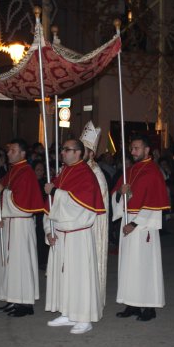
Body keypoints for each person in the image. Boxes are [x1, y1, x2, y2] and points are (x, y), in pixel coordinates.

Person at [43, 139, 105, 334]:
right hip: (61, 234)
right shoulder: (63, 173)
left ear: (78, 153)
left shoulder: (85, 174)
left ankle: (84, 317)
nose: (62, 153)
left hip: (78, 235)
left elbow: (80, 206)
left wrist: (55, 191)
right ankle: (67, 312)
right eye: (62, 149)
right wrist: (48, 230)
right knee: (64, 276)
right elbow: (51, 206)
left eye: (66, 150)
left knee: (79, 277)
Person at [112, 135, 170, 322]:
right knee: (129, 266)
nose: (133, 151)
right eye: (132, 148)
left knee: (144, 266)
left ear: (147, 150)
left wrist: (135, 223)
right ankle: (132, 303)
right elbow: (118, 195)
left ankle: (148, 307)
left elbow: (155, 203)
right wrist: (121, 194)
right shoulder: (130, 171)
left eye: (137, 148)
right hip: (127, 223)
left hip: (143, 226)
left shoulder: (153, 172)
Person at [0, 139, 44, 317]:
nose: (8, 153)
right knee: (9, 263)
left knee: (20, 262)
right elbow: (1, 198)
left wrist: (3, 192)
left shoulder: (26, 172)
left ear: (23, 153)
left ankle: (25, 303)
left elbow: (22, 201)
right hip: (9, 223)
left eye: (13, 150)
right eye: (8, 150)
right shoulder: (13, 171)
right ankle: (12, 298)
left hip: (21, 225)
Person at [79, 121, 110, 306]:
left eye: (84, 150)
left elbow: (97, 205)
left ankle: (90, 304)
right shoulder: (79, 170)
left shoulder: (96, 173)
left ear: (92, 153)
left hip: (91, 226)